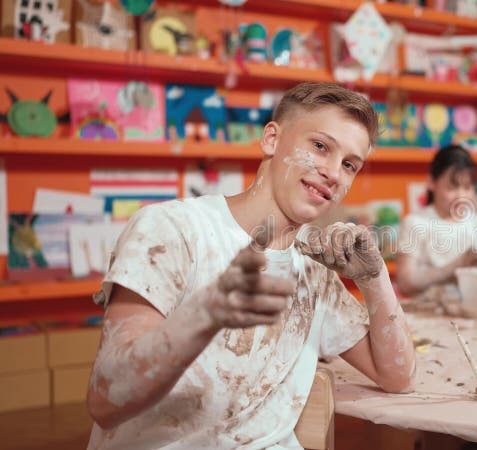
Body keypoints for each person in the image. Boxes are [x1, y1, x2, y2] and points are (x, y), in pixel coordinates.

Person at [85, 83, 415, 449]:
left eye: (350, 165)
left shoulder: (313, 266)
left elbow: (396, 376)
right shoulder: (172, 229)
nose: (335, 174)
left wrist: (373, 277)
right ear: (272, 139)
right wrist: (206, 313)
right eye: (320, 146)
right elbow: (105, 401)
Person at [395, 144, 477, 301]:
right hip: (424, 314)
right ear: (431, 182)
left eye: (467, 187)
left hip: (469, 314)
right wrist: (456, 267)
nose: (461, 195)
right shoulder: (415, 223)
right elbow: (405, 283)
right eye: (452, 188)